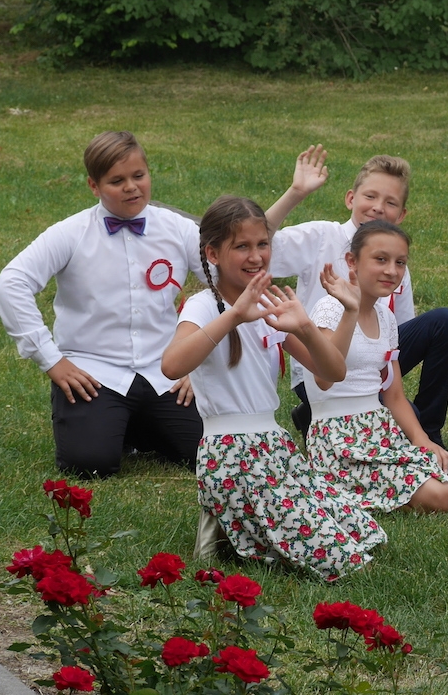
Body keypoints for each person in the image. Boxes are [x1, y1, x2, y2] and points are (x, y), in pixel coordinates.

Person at [160, 196, 384, 581]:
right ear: (212, 253)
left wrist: (320, 321)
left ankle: (239, 530)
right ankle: (234, 528)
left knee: (362, 532)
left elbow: (330, 372)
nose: (255, 256)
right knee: (339, 559)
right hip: (231, 455)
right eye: (241, 246)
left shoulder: (269, 303)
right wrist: (234, 316)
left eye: (262, 244)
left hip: (274, 448)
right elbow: (172, 365)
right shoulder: (204, 305)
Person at [0, 131, 208, 477]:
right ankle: (109, 421)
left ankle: (135, 425)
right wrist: (51, 360)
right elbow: (10, 284)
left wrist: (201, 365)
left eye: (139, 176)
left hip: (163, 369)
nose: (131, 187)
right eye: (116, 181)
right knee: (90, 464)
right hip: (93, 371)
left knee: (207, 452)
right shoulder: (71, 233)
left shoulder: (178, 229)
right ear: (94, 186)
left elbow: (224, 285)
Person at [266, 155, 448, 447]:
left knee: (445, 322)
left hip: (370, 364)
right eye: (370, 196)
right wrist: (296, 192)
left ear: (402, 214)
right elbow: (259, 245)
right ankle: (313, 412)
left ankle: (429, 431)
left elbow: (399, 334)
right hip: (321, 367)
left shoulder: (395, 267)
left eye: (390, 202)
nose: (378, 207)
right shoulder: (322, 235)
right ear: (350, 198)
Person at [304, 221, 448, 514]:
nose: (391, 271)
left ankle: (407, 487)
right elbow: (324, 379)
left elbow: (394, 394)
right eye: (380, 259)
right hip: (340, 437)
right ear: (352, 261)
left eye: (400, 262)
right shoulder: (330, 308)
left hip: (381, 428)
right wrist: (350, 310)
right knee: (440, 497)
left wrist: (422, 440)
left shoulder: (385, 317)